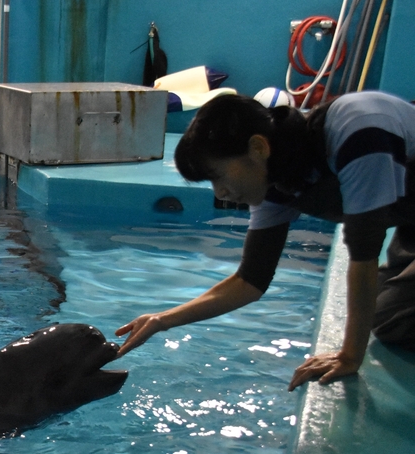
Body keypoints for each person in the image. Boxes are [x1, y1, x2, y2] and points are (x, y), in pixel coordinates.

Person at [116, 90, 415, 391]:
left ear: (257, 147)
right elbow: (250, 280)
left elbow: (364, 257)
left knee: (390, 318)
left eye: (218, 175)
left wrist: (350, 356)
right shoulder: (277, 177)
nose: (219, 193)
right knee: (378, 298)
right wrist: (161, 320)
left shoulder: (358, 131)